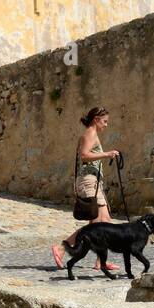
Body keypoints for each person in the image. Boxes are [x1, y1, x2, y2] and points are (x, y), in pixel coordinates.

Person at [51, 106, 120, 272]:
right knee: (98, 225)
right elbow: (84, 155)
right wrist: (107, 154)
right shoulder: (90, 134)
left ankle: (100, 263)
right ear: (96, 119)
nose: (106, 125)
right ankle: (62, 248)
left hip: (93, 182)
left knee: (104, 223)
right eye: (105, 121)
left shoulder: (93, 134)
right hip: (89, 182)